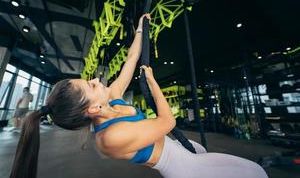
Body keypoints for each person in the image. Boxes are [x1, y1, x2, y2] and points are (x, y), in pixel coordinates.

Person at [10, 14, 268, 178]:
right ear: (92, 108)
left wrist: (140, 32)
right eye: (90, 85)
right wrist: (153, 83)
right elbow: (167, 123)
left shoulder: (109, 98)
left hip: (181, 148)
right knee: (255, 173)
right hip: (184, 168)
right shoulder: (109, 137)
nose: (94, 80)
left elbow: (131, 61)